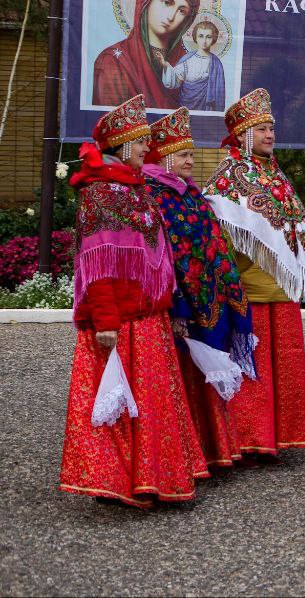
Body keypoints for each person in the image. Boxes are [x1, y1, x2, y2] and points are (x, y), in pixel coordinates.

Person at [59, 95, 208, 506]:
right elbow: (98, 266)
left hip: (149, 319)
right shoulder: (101, 195)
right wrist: (105, 321)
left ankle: (152, 478)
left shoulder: (134, 190)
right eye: (141, 142)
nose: (148, 148)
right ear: (123, 145)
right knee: (122, 406)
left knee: (150, 406)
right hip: (121, 324)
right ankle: (119, 483)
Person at [204, 88, 305, 457]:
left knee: (282, 369)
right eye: (262, 128)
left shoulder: (275, 173)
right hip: (250, 292)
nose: (270, 135)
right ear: (241, 134)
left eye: (272, 128)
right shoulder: (230, 177)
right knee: (253, 369)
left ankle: (279, 437)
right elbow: (219, 238)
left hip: (281, 291)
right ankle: (250, 439)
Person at [142, 106, 254, 469]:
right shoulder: (153, 195)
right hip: (180, 304)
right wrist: (177, 307)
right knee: (184, 376)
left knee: (204, 372)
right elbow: (161, 257)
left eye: (191, 154)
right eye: (183, 155)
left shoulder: (189, 194)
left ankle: (213, 449)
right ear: (164, 158)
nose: (191, 161)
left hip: (207, 299)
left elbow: (213, 246)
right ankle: (187, 455)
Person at [93, 0, 199, 108]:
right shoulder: (114, 60)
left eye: (182, 11)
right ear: (146, 1)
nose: (171, 16)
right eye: (167, 2)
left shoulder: (188, 63)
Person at [164, 19, 227, 112]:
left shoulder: (216, 63)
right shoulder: (187, 59)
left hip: (206, 107)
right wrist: (166, 66)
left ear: (213, 39)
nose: (204, 41)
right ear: (195, 37)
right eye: (201, 36)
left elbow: (219, 92)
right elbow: (175, 82)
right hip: (185, 104)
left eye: (208, 37)